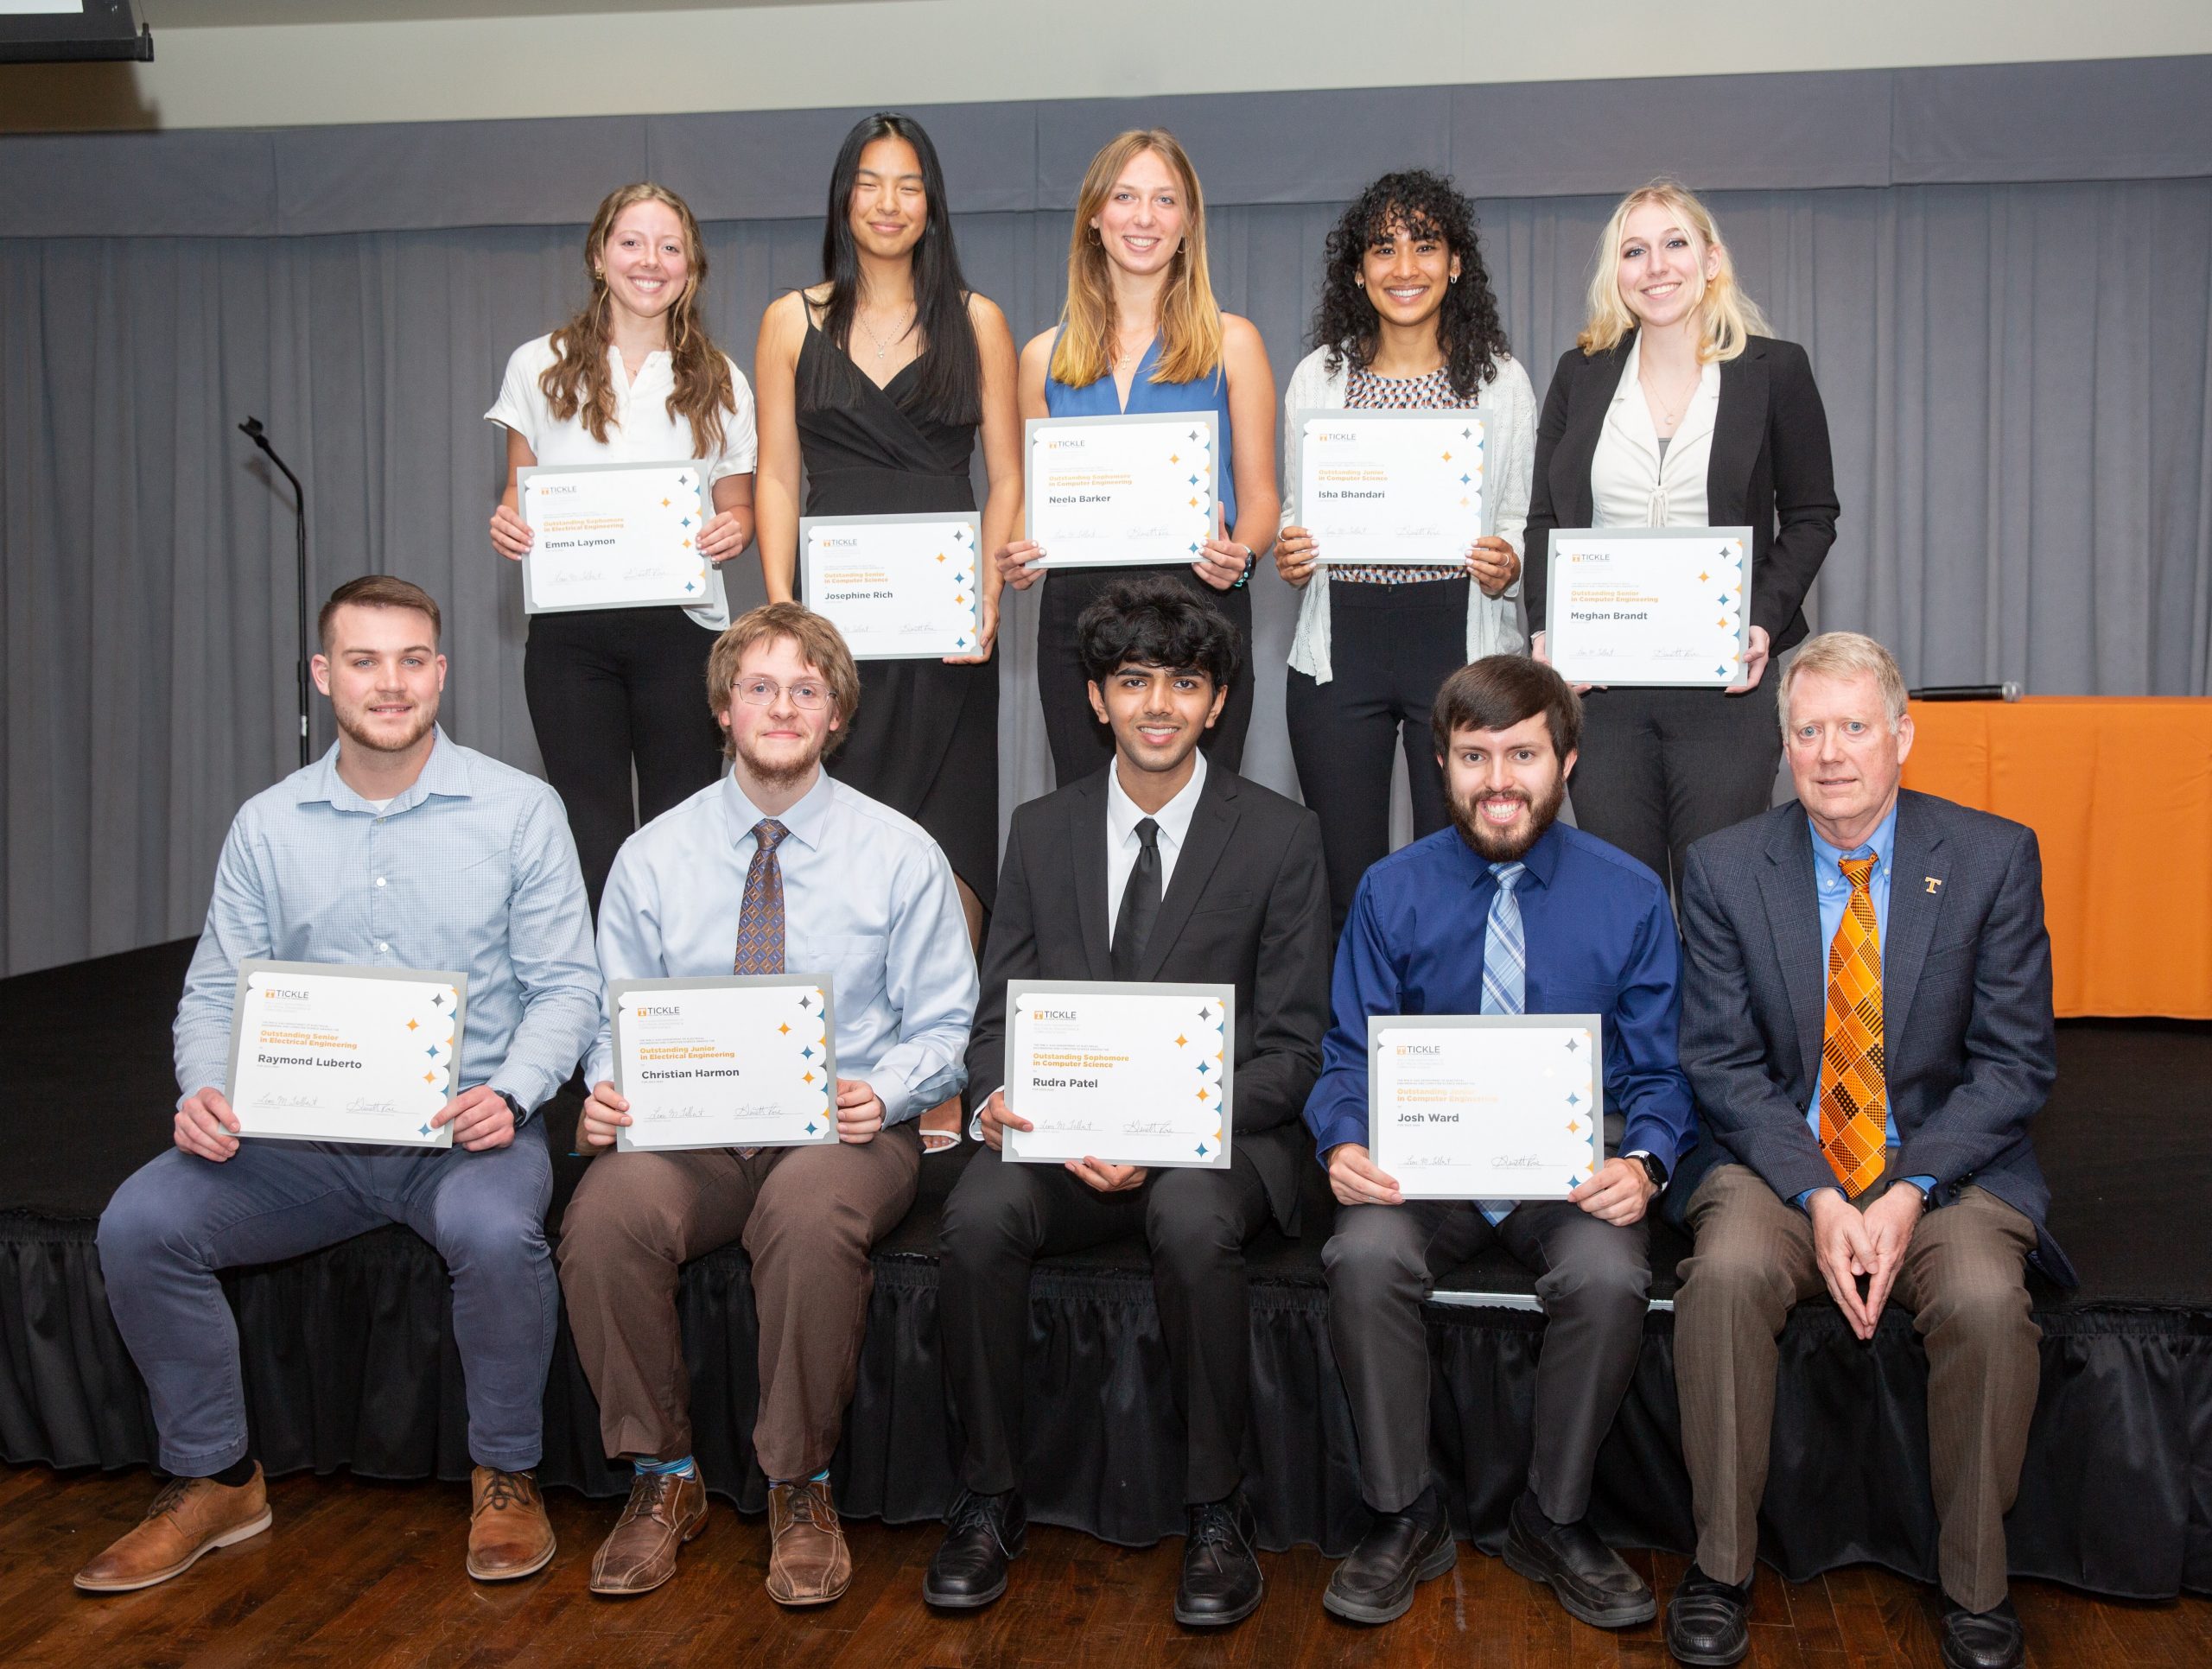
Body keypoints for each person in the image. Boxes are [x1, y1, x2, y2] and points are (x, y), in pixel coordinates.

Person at [78, 576, 602, 1594]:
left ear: (442, 673)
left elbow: (567, 990)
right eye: (363, 661)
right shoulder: (268, 825)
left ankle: (505, 1475)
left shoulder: (519, 811)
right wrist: (203, 1088)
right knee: (140, 1223)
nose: (390, 683)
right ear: (323, 678)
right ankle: (217, 1480)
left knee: (500, 1237)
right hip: (298, 1139)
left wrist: (517, 1090)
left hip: (467, 1131)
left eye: (412, 659)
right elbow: (214, 995)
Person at [927, 576, 1332, 1628]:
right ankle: (988, 1494)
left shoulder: (1283, 837)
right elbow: (992, 1019)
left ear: (1219, 701)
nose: (1159, 704)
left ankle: (1214, 1508)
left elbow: (1293, 1051)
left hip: (1217, 1143)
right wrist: (997, 1097)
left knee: (1193, 1219)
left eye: (1185, 683)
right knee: (974, 1214)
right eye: (1133, 680)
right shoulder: (1039, 828)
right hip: (1060, 1141)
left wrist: (1166, 1132)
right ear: (1097, 699)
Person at [556, 601, 977, 1607]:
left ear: (836, 716)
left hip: (843, 1132)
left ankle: (799, 1485)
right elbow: (608, 1012)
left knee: (806, 1212)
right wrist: (606, 1084)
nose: (780, 707)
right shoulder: (652, 855)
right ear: (721, 709)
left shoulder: (900, 853)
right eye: (758, 687)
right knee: (604, 1216)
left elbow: (946, 1022)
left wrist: (891, 1090)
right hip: (693, 1134)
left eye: (805, 689)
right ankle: (662, 1478)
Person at [1662, 631, 2070, 1669]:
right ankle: (1717, 1571)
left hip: (1942, 1165)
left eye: (1853, 727)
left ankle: (1975, 1588)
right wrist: (1814, 1193)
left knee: (1983, 1301)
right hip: (1779, 1162)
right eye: (1807, 731)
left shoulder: (1989, 857)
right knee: (1725, 1276)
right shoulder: (1720, 867)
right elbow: (1720, 1065)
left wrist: (1909, 1188)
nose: (1830, 753)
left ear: (1902, 736)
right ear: (1783, 743)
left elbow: (2014, 1067)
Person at [1303, 655, 1693, 1630]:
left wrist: (1643, 1162)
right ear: (1439, 764)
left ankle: (1551, 1520)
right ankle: (1403, 1515)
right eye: (1473, 756)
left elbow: (1662, 1072)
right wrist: (1342, 1141)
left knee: (1609, 1279)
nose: (1498, 780)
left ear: (1566, 759)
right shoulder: (1391, 892)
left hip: (1566, 1172)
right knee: (1361, 1256)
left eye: (1522, 753)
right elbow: (1347, 1054)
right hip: (1423, 1169)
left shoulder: (1633, 895)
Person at [753, 111, 1021, 955]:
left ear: (931, 206)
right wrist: (782, 614)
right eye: (869, 182)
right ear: (843, 200)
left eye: (908, 184)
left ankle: (940, 1073)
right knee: (829, 850)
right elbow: (775, 475)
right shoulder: (788, 321)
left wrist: (984, 598)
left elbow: (1010, 477)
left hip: (945, 640)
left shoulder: (978, 320)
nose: (888, 201)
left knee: (948, 849)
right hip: (834, 634)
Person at [1523, 178, 1839, 892]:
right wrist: (1546, 633)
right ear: (1618, 273)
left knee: (1722, 898)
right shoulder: (1579, 375)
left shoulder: (1776, 370)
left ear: (1712, 259)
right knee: (1619, 896)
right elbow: (1545, 519)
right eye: (1634, 251)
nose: (1656, 266)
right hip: (1601, 687)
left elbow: (1813, 516)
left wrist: (1761, 621)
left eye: (1675, 244)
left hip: (1725, 685)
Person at [1275, 168, 1536, 933]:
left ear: (1455, 262)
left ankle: (1447, 1044)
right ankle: (1353, 1045)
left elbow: (1521, 516)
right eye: (1383, 249)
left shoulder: (1499, 381)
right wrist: (1294, 552)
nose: (1405, 267)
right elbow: (1299, 513)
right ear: (1358, 269)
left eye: (1425, 246)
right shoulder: (1318, 379)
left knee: (1459, 866)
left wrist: (1509, 561)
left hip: (1459, 638)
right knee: (1344, 878)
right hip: (1341, 644)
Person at [486, 181, 757, 913]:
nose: (650, 261)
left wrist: (737, 527)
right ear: (599, 256)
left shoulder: (721, 379)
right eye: (631, 242)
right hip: (570, 639)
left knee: (684, 828)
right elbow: (521, 491)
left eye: (670, 247)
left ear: (691, 269)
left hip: (685, 633)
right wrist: (510, 520)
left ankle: (677, 1008)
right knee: (590, 832)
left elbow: (738, 506)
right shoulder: (537, 365)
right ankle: (599, 1008)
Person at [999, 128, 1280, 784]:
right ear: (1095, 217)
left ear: (1188, 224)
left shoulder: (1233, 343)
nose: (1144, 217)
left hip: (1203, 600)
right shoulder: (1043, 357)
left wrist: (1244, 553)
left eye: (1165, 200)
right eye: (1125, 196)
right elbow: (1032, 505)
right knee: (1086, 818)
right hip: (1076, 611)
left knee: (1206, 824)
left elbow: (1262, 497)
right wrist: (1018, 553)